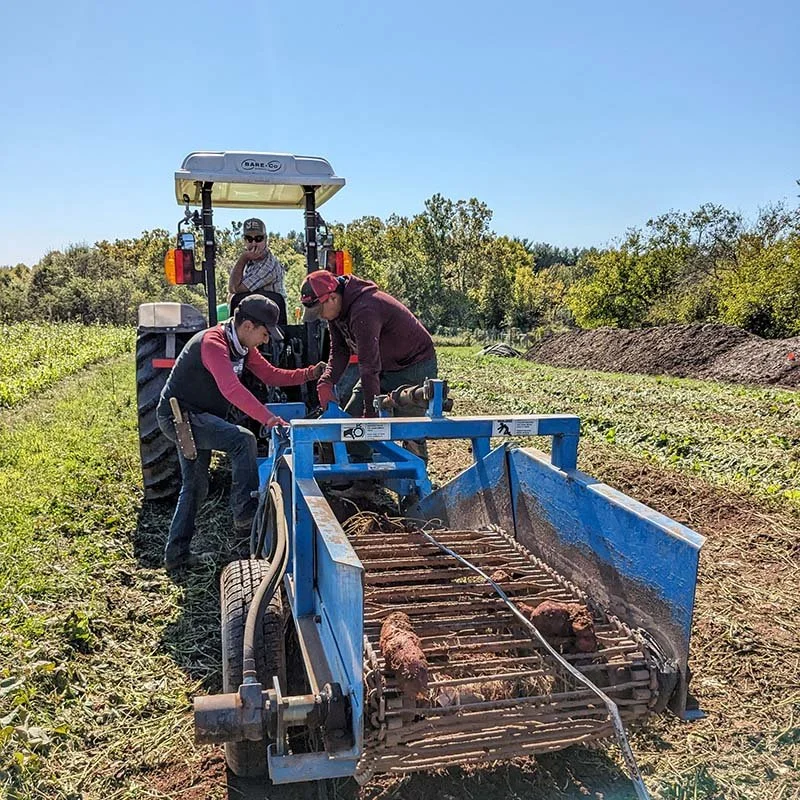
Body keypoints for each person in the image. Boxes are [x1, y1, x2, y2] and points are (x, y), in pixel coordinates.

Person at [156, 295, 324, 571]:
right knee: (242, 440)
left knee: (195, 486)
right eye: (265, 333)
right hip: (181, 418)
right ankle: (245, 516)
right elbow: (231, 389)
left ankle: (176, 556)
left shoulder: (241, 346)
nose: (266, 340)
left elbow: (270, 375)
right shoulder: (213, 343)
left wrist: (309, 373)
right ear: (247, 326)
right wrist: (268, 419)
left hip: (199, 417)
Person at [300, 270, 437, 457]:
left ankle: (416, 472)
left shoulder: (365, 309)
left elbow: (368, 367)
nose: (321, 316)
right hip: (383, 367)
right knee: (351, 427)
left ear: (332, 297)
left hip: (413, 365)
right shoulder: (337, 312)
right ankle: (359, 472)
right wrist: (327, 380)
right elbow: (339, 351)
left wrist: (371, 414)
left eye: (320, 311)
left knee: (409, 428)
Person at [228, 218, 288, 323]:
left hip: (268, 323)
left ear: (266, 239)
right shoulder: (251, 262)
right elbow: (232, 289)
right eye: (249, 239)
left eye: (258, 238)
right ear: (244, 240)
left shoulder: (269, 266)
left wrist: (243, 258)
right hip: (253, 320)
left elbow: (235, 288)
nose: (254, 243)